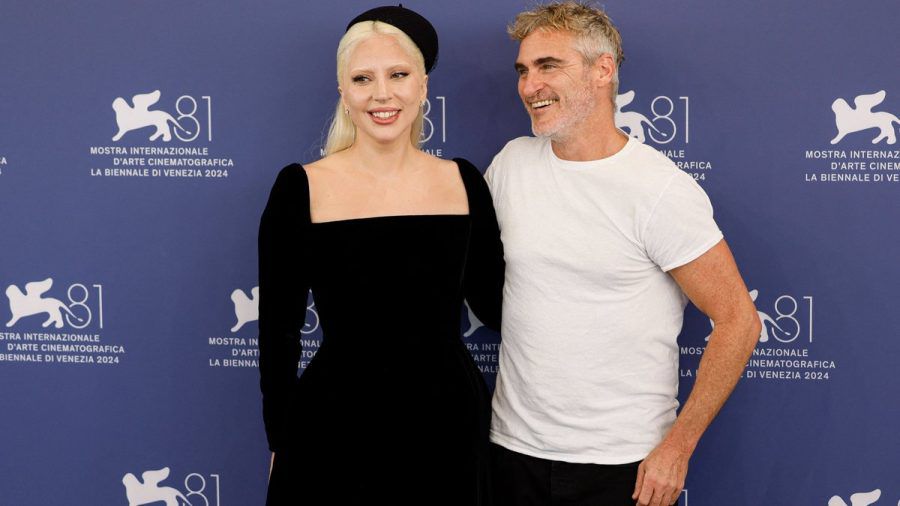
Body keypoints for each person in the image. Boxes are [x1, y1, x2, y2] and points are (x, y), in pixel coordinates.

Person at [485, 3, 761, 506]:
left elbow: (738, 321)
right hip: (510, 453)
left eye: (549, 66)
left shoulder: (659, 190)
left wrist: (677, 448)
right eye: (524, 70)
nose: (530, 86)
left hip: (621, 465)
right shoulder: (510, 166)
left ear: (603, 70)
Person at [258, 6, 504, 505]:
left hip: (447, 426)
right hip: (334, 426)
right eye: (363, 78)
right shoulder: (300, 187)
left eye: (398, 75)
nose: (382, 94)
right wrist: (280, 442)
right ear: (344, 93)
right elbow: (279, 334)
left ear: (423, 85)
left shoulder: (463, 182)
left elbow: (499, 307)